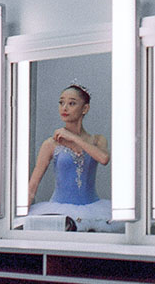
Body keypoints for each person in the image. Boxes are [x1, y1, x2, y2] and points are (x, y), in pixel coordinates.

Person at [27, 84, 113, 230]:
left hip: (93, 209)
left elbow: (104, 159)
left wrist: (73, 138)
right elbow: (33, 185)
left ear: (85, 109)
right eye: (61, 102)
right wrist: (17, 217)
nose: (64, 108)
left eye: (71, 103)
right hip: (59, 211)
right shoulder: (51, 144)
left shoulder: (98, 140)